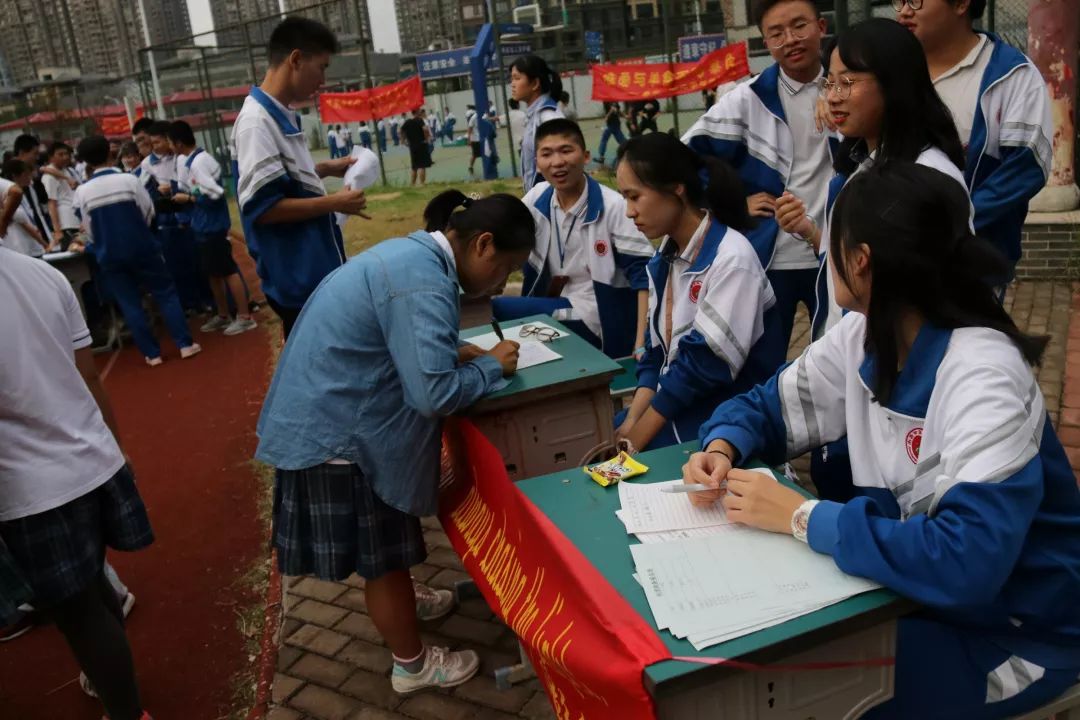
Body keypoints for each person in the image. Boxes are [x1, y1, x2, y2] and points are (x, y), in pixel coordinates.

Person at [687, 161, 1080, 720]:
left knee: (810, 695)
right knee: (773, 670)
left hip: (1016, 634)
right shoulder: (862, 334)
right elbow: (765, 408)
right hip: (913, 598)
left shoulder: (984, 372)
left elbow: (966, 562)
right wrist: (722, 447)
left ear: (861, 261)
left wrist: (803, 517)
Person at [255, 191, 533, 695]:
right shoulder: (423, 281)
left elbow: (392, 330)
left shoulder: (411, 254)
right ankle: (412, 665)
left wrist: (458, 347)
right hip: (342, 438)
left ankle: (406, 600)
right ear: (483, 245)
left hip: (326, 420)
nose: (499, 282)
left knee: (384, 548)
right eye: (506, 268)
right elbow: (434, 395)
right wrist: (492, 365)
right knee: (381, 559)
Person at [776, 18, 970, 502]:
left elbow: (947, 294)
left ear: (896, 84)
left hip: (902, 381)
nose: (833, 97)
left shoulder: (929, 178)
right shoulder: (864, 167)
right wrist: (811, 232)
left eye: (849, 82)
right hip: (855, 357)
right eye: (830, 81)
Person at [0, 245, 155, 720]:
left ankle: (127, 711)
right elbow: (88, 376)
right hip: (91, 457)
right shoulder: (41, 274)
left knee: (77, 610)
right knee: (89, 582)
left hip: (30, 486)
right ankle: (109, 676)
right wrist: (117, 448)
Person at [613, 134, 786, 452]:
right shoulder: (664, 257)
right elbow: (656, 355)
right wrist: (630, 423)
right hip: (683, 403)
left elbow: (703, 368)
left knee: (634, 462)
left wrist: (638, 437)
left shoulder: (732, 259)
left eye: (635, 197)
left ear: (676, 188)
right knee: (612, 430)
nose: (629, 211)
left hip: (728, 416)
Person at [683, 0, 834, 349]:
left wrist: (834, 90)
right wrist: (733, 205)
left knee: (839, 356)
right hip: (770, 257)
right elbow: (683, 159)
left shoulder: (849, 90)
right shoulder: (747, 99)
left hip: (832, 249)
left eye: (799, 26)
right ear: (765, 42)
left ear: (821, 27)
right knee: (765, 362)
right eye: (777, 33)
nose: (791, 39)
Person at [893, 0, 1052, 284]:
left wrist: (951, 225)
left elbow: (1026, 168)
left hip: (972, 262)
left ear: (961, 4)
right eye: (899, 0)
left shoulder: (1011, 76)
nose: (903, 10)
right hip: (896, 253)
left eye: (915, 0)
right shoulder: (890, 71)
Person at [232, 17, 368, 339]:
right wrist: (335, 202)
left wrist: (324, 169)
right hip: (297, 282)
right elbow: (264, 209)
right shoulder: (256, 123)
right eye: (321, 67)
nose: (322, 80)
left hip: (311, 274)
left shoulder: (279, 113)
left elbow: (282, 180)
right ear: (295, 59)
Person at [493, 118, 652, 359]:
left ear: (586, 156)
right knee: (484, 305)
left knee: (493, 309)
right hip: (555, 303)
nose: (557, 162)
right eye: (547, 154)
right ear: (537, 163)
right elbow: (503, 236)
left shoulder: (613, 207)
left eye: (566, 151)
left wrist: (640, 344)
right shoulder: (537, 198)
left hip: (596, 316)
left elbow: (646, 276)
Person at [74, 135, 201, 366]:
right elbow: (148, 212)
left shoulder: (82, 192)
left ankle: (152, 355)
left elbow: (88, 228)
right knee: (165, 294)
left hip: (109, 254)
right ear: (111, 153)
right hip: (142, 247)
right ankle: (184, 344)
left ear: (86, 162)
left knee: (129, 302)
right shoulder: (129, 181)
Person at [168, 120, 257, 336]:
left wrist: (188, 197)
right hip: (203, 226)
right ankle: (223, 314)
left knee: (226, 271)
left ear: (178, 143)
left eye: (170, 143)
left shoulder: (198, 163)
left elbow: (216, 193)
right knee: (213, 273)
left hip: (213, 227)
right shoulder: (193, 160)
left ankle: (245, 317)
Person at [144, 120, 208, 313]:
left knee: (204, 263)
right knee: (181, 264)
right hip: (174, 217)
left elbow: (198, 188)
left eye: (158, 142)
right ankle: (193, 304)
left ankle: (212, 302)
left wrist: (177, 190)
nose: (154, 147)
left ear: (171, 140)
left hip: (194, 214)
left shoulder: (185, 158)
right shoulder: (148, 164)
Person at [509, 55, 565, 192]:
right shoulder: (534, 115)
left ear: (535, 84)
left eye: (517, 78)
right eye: (512, 79)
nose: (512, 84)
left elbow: (560, 164)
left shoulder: (548, 117)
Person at [0, 158, 47, 257]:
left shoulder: (24, 193)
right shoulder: (10, 196)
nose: (29, 178)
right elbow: (24, 224)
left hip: (29, 243)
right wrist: (44, 243)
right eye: (26, 175)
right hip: (20, 244)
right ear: (15, 176)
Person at [42, 142, 83, 251]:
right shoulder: (49, 177)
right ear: (51, 157)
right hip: (66, 222)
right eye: (60, 154)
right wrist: (57, 230)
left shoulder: (69, 171)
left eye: (66, 154)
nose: (65, 157)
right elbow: (52, 203)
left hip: (77, 220)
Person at [401, 108, 432, 186]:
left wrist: (403, 140)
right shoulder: (420, 121)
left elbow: (401, 130)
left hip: (412, 146)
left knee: (414, 166)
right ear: (417, 112)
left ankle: (412, 183)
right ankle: (422, 183)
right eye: (419, 111)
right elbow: (425, 130)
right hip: (421, 144)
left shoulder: (408, 122)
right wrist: (427, 138)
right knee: (422, 165)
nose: (420, 112)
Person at [597, 102, 627, 167]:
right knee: (605, 139)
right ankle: (601, 156)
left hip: (615, 124)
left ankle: (628, 150)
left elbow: (617, 111)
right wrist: (610, 112)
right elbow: (611, 112)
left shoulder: (614, 102)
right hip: (611, 124)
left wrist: (625, 116)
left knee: (619, 140)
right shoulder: (606, 102)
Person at [466, 105, 482, 176]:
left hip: (482, 138)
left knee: (486, 153)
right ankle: (470, 167)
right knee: (475, 155)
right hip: (475, 139)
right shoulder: (473, 118)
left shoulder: (484, 116)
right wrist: (469, 139)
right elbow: (469, 129)